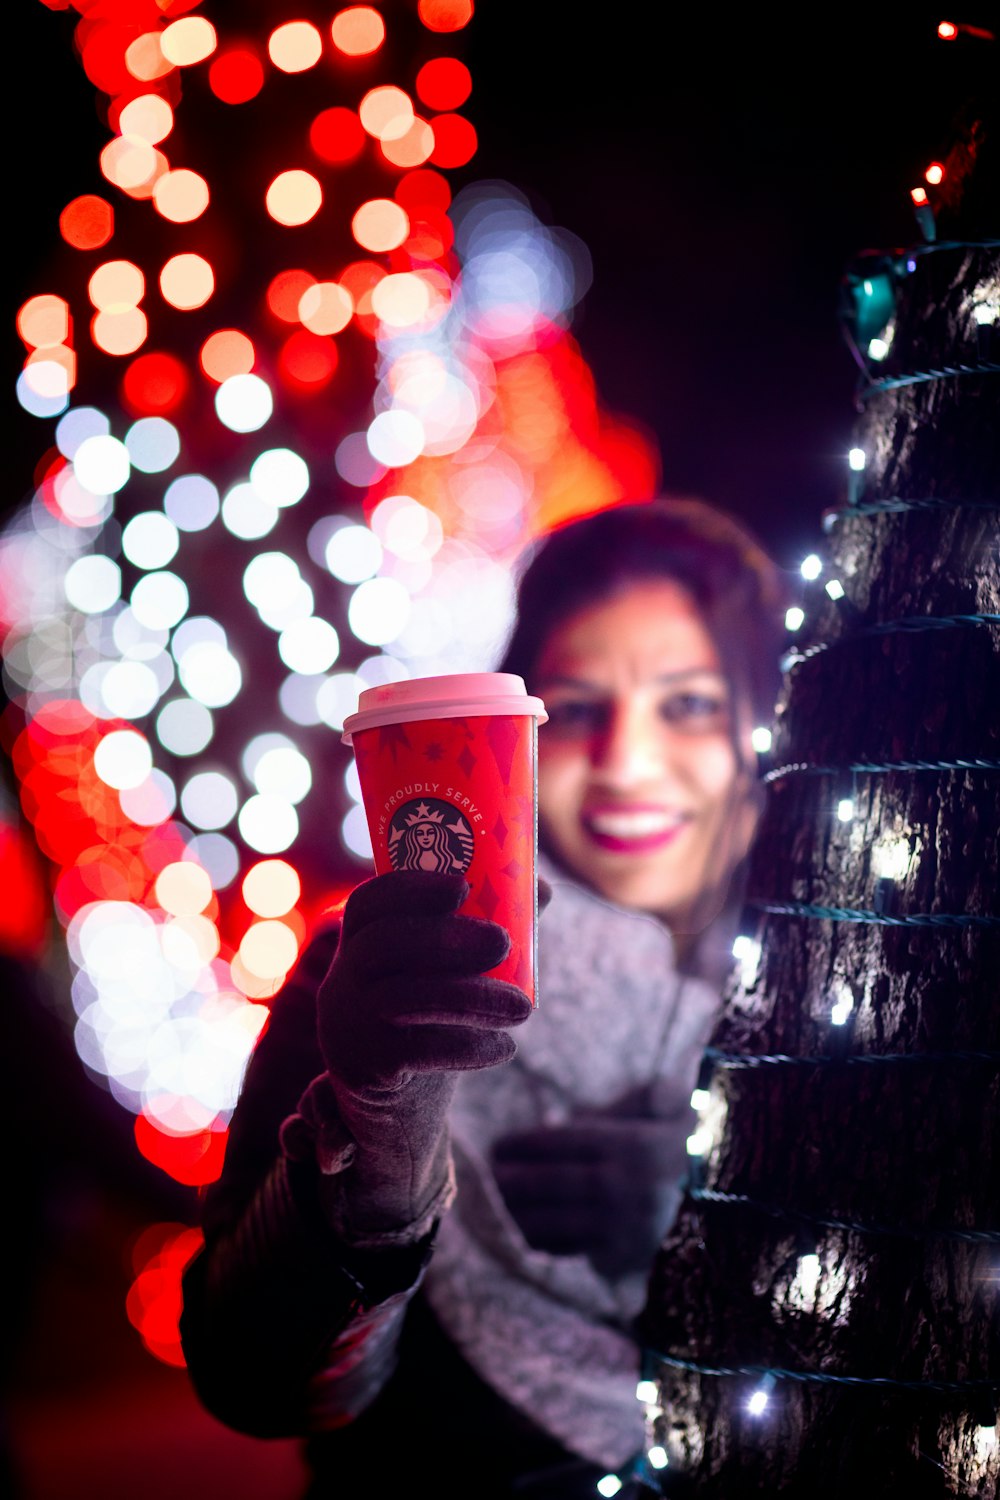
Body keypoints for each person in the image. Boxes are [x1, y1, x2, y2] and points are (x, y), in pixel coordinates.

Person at [179, 497, 787, 1499]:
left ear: (759, 722)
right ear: (519, 732)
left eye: (688, 703)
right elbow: (248, 1381)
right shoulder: (391, 969)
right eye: (578, 707)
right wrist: (378, 1157)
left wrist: (711, 1228)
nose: (626, 763)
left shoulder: (852, 985)